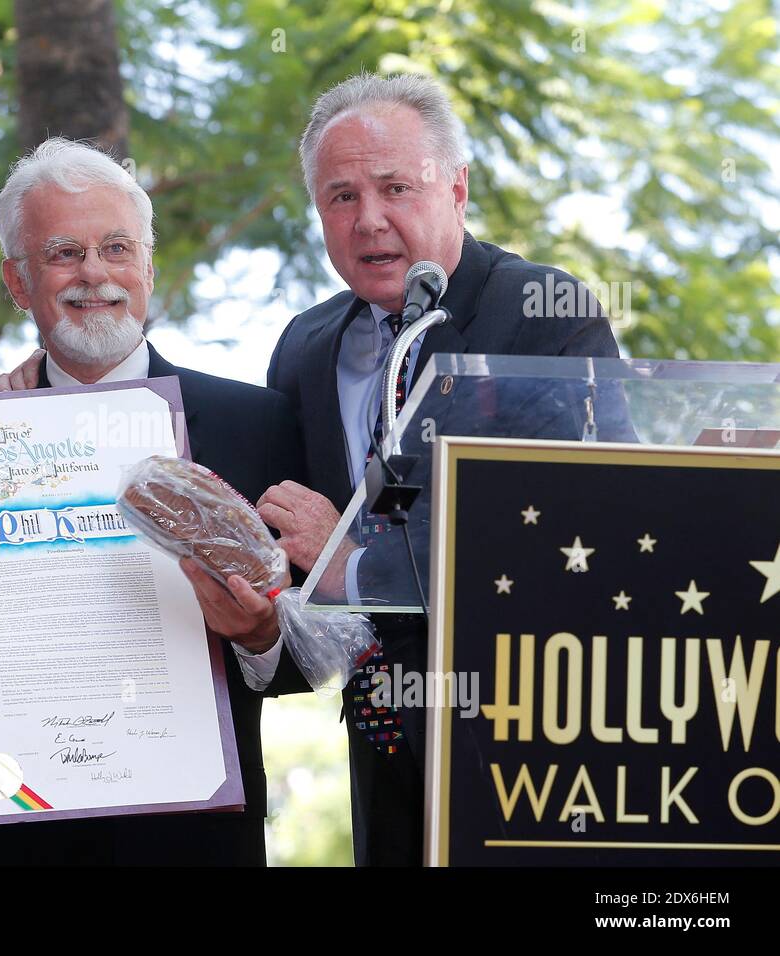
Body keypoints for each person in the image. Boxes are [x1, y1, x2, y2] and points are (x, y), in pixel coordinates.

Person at [255, 73, 621, 865]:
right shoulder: (306, 347)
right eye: (341, 197)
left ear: (456, 187)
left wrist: (355, 560)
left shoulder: (543, 314)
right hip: (380, 746)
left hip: (526, 744)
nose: (369, 219)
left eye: (395, 187)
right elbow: (273, 535)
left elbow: (575, 537)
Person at [0, 137, 307, 866]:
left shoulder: (260, 424)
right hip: (14, 840)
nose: (95, 273)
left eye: (117, 248)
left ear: (148, 266)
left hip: (196, 847)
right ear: (18, 283)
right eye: (62, 253)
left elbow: (314, 658)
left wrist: (258, 634)